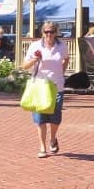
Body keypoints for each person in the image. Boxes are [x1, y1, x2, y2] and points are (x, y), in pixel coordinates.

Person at [21, 21, 70, 158]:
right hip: (40, 86)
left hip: (56, 86)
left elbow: (66, 58)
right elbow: (24, 65)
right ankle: (42, 146)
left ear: (56, 33)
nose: (49, 34)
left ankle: (53, 139)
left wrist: (62, 71)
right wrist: (35, 59)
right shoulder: (35, 46)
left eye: (52, 31)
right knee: (40, 118)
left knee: (55, 117)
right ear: (42, 32)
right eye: (46, 32)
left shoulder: (61, 46)